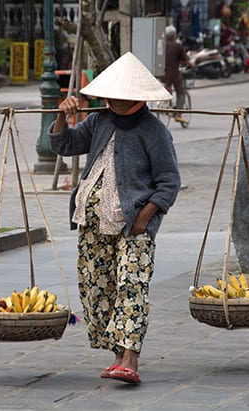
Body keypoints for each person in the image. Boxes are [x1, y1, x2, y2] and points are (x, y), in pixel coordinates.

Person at [48, 52, 181, 385]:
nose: (111, 99)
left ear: (134, 97)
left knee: (131, 286)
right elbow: (64, 144)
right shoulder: (98, 121)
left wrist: (144, 218)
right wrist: (64, 117)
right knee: (100, 290)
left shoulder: (154, 131)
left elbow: (169, 182)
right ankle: (117, 357)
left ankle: (131, 359)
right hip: (93, 226)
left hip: (133, 226)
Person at [162, 25, 192, 124]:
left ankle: (166, 101)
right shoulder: (177, 46)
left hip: (163, 74)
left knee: (167, 86)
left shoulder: (162, 46)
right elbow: (186, 59)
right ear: (174, 35)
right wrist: (191, 63)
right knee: (181, 92)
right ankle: (178, 114)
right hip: (174, 74)